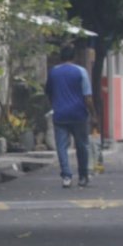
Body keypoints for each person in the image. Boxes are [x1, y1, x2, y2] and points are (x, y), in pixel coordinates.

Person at [45, 43, 98, 188]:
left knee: (61, 146)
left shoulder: (53, 72)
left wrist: (55, 105)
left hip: (60, 114)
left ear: (61, 57)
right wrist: (93, 115)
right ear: (73, 57)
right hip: (79, 114)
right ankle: (83, 176)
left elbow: (49, 92)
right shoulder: (81, 71)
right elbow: (87, 97)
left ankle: (66, 176)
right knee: (82, 146)